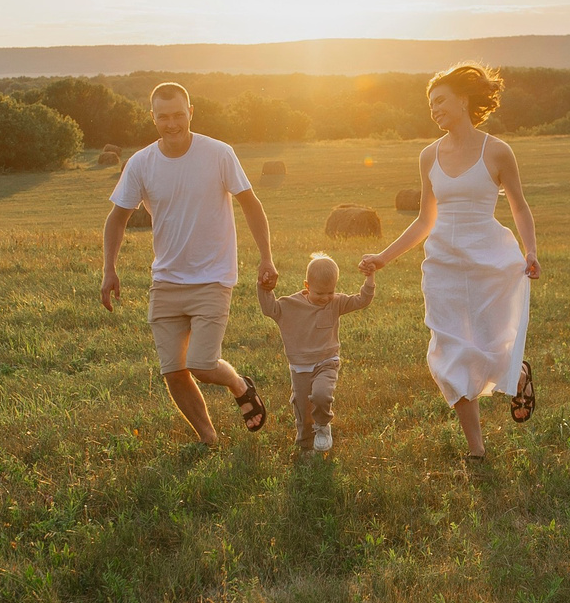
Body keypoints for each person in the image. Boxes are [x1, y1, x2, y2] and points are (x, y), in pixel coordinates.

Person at [358, 63, 539, 460]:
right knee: (450, 353)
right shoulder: (428, 156)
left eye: (440, 100)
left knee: (490, 345)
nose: (434, 109)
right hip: (443, 267)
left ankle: (518, 374)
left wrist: (530, 250)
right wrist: (383, 258)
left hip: (489, 261)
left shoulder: (497, 151)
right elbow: (425, 220)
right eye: (430, 104)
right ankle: (476, 449)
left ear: (463, 100)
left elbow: (519, 206)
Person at [101, 83, 278, 446]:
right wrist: (109, 269)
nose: (172, 124)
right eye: (163, 116)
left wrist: (266, 257)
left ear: (191, 112)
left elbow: (251, 204)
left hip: (213, 276)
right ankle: (208, 439)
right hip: (166, 279)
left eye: (179, 115)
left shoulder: (219, 153)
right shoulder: (141, 163)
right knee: (173, 370)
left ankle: (239, 385)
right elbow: (117, 218)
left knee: (201, 364)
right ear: (153, 117)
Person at [257, 252, 377, 452]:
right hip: (300, 367)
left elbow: (362, 300)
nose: (325, 298)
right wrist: (264, 287)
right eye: (320, 293)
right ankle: (306, 447)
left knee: (321, 395)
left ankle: (322, 425)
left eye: (330, 292)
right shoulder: (291, 305)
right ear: (307, 285)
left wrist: (370, 277)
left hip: (327, 362)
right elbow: (270, 308)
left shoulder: (335, 302)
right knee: (303, 411)